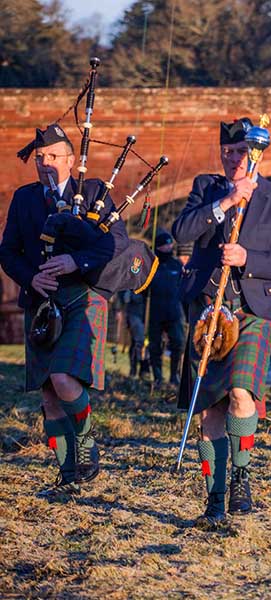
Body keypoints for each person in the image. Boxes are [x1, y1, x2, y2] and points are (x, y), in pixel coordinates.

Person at [173, 118, 271, 528]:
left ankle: (241, 476)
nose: (232, 158)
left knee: (242, 394)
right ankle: (214, 496)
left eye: (240, 151)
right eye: (226, 151)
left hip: (253, 310)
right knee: (210, 410)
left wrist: (248, 258)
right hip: (208, 311)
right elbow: (181, 233)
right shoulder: (206, 189)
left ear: (255, 153)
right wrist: (226, 203)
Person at [0, 124, 127, 495]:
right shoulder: (24, 199)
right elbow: (8, 252)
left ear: (71, 160)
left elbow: (117, 244)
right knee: (48, 396)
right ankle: (69, 476)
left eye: (53, 157)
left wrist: (76, 261)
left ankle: (87, 440)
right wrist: (30, 279)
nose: (45, 163)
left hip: (83, 297)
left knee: (62, 378)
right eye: (40, 158)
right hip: (41, 302)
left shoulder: (94, 193)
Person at [147, 230, 185, 386]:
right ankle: (157, 377)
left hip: (174, 312)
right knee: (155, 346)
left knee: (178, 343)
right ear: (158, 247)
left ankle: (174, 375)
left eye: (170, 244)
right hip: (155, 312)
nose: (169, 247)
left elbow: (184, 287)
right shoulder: (151, 265)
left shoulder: (176, 265)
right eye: (165, 245)